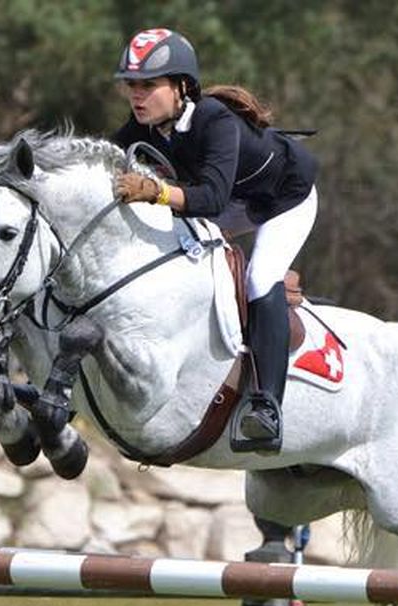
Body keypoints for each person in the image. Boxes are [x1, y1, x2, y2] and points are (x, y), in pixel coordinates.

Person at [110, 28, 319, 454]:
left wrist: (156, 192)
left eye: (148, 85)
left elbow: (211, 198)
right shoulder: (144, 126)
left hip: (286, 197)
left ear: (182, 86)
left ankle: (266, 405)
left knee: (261, 277)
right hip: (236, 197)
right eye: (131, 85)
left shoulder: (213, 119)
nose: (137, 95)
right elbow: (100, 156)